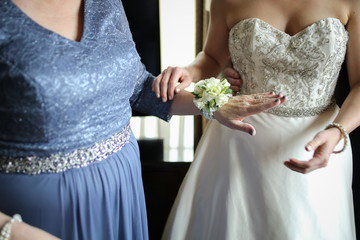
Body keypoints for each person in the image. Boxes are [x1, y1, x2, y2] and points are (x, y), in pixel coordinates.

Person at [0, 0, 286, 239]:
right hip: (37, 207)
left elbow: (136, 89)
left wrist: (212, 106)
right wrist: (12, 229)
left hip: (121, 187)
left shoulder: (105, 3)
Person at [152, 0, 360, 239]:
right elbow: (211, 57)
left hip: (321, 142)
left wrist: (337, 131)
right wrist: (189, 72)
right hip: (239, 141)